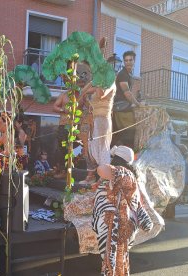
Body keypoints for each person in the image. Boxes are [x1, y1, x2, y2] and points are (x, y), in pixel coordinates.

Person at [93, 145, 153, 276]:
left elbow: (100, 169)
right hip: (122, 225)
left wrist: (106, 161)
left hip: (116, 225)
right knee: (120, 262)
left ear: (117, 159)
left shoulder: (122, 172)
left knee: (112, 263)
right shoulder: (128, 175)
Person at [53, 61, 93, 174]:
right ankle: (63, 170)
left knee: (76, 146)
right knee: (62, 149)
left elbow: (89, 107)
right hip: (63, 126)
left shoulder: (81, 96)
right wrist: (63, 110)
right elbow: (54, 107)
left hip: (76, 126)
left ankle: (74, 168)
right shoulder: (63, 95)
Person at [113, 50, 142, 148]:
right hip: (121, 106)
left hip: (123, 105)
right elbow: (127, 93)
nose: (128, 62)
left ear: (134, 61)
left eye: (130, 60)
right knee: (130, 133)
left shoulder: (128, 74)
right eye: (126, 60)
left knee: (125, 134)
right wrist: (137, 104)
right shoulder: (123, 74)